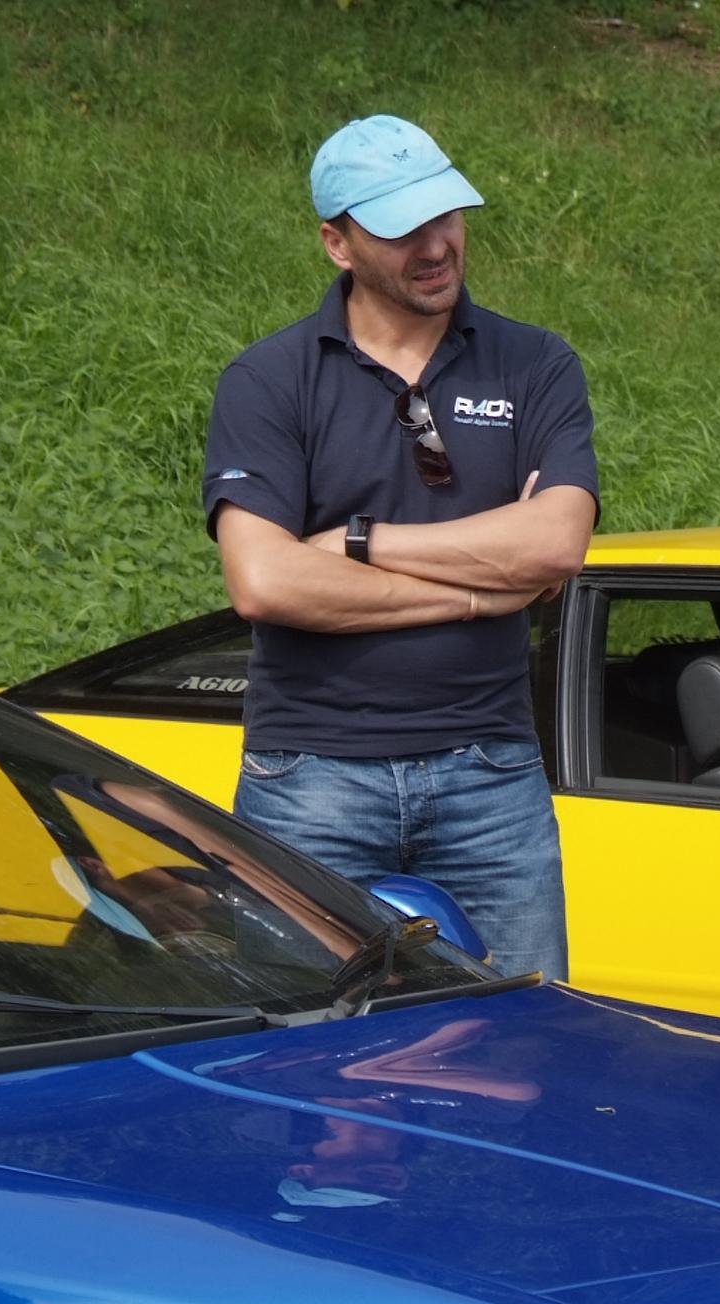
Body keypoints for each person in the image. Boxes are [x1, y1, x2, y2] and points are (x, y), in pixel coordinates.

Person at [198, 114, 599, 979]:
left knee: (525, 1035)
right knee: (301, 1039)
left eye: (445, 216)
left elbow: (555, 543)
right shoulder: (269, 381)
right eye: (401, 228)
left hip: (491, 776)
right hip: (311, 779)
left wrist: (358, 541)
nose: (435, 245)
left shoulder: (535, 366)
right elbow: (266, 583)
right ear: (337, 244)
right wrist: (484, 589)